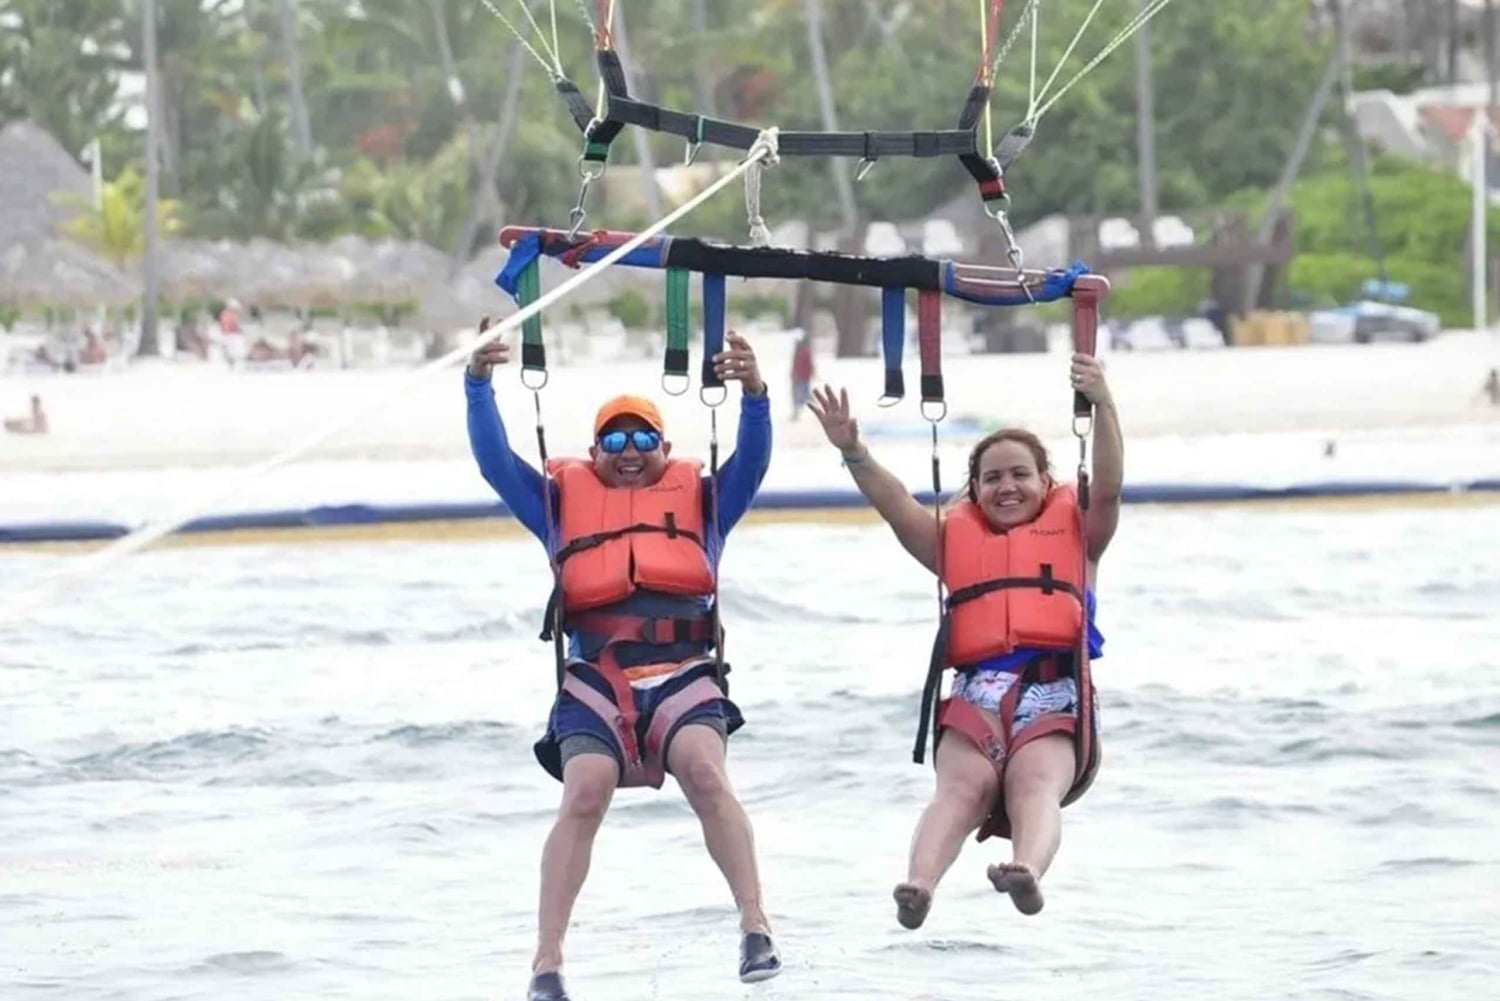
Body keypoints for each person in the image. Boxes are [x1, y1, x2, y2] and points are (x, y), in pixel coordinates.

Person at [464, 321, 780, 1001]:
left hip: (684, 674)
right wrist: (478, 383)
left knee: (703, 767)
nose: (630, 451)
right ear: (594, 450)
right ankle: (546, 962)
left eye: (644, 439)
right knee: (583, 791)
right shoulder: (554, 506)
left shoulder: (706, 504)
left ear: (666, 449)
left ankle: (755, 925)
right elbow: (495, 461)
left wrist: (754, 392)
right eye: (615, 439)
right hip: (596, 681)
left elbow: (754, 457)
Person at [807, 351, 1123, 927]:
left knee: (1034, 783)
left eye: (1020, 474)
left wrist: (1102, 402)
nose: (1007, 486)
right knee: (959, 790)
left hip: (1053, 695)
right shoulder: (951, 543)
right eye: (992, 477)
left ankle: (1026, 870)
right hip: (976, 694)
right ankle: (919, 886)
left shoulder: (1081, 537)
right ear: (973, 491)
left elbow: (1107, 491)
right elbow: (898, 505)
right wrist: (853, 450)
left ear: (1046, 482)